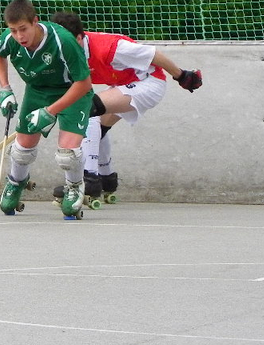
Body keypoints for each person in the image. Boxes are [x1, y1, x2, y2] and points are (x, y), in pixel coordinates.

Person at [50, 11, 202, 203]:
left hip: (149, 83)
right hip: (122, 85)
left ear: (79, 38)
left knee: (87, 110)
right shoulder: (67, 54)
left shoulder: (109, 47)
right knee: (97, 128)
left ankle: (89, 179)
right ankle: (107, 178)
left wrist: (181, 75)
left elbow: (153, 54)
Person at [0, 0, 94, 218]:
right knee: (21, 149)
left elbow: (84, 83)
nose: (19, 36)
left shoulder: (63, 41)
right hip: (37, 90)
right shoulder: (10, 38)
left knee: (67, 153)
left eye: (23, 29)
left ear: (35, 22)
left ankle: (75, 187)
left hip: (72, 91)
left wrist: (50, 111)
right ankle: (16, 182)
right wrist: (5, 89)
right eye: (13, 30)